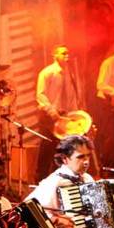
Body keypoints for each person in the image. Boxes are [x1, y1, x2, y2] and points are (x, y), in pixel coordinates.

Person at [35, 45, 83, 178]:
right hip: (50, 116)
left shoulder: (70, 74)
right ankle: (40, 178)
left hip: (65, 116)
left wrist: (74, 114)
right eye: (63, 53)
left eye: (68, 53)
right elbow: (41, 94)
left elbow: (72, 95)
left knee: (63, 150)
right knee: (47, 148)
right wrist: (51, 111)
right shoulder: (47, 72)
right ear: (54, 55)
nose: (66, 55)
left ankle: (58, 178)